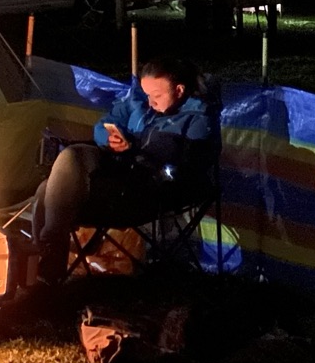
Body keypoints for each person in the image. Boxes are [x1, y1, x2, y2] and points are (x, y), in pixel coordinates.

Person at [32, 54, 220, 278]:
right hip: (118, 169)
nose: (150, 102)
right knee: (72, 156)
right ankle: (50, 254)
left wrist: (133, 152)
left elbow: (183, 170)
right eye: (147, 94)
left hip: (147, 190)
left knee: (48, 191)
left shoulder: (198, 121)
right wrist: (109, 140)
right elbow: (104, 125)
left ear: (179, 90)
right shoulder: (139, 102)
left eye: (156, 95)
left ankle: (50, 261)